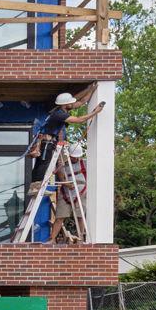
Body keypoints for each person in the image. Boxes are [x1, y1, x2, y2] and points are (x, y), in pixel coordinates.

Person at [25, 92, 105, 239]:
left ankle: (36, 185)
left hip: (50, 142)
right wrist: (95, 112)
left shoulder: (63, 110)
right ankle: (36, 186)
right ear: (64, 104)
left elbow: (80, 103)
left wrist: (91, 89)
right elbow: (79, 120)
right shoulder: (59, 115)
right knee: (44, 164)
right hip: (47, 142)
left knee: (44, 164)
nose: (72, 104)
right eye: (70, 102)